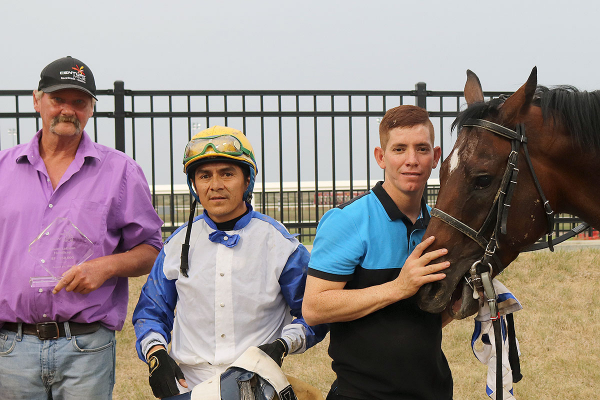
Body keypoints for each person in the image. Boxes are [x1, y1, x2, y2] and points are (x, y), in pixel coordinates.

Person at [0, 56, 163, 399]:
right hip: (11, 349)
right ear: (37, 100)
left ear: (90, 109)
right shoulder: (3, 170)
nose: (68, 110)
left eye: (79, 102)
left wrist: (106, 266)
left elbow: (150, 249)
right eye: (58, 99)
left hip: (85, 347)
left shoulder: (120, 172)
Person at [133, 125, 328, 398]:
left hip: (258, 386)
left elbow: (315, 313)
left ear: (247, 180)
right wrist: (156, 356)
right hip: (189, 388)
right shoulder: (176, 245)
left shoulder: (281, 245)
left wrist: (282, 345)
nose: (215, 186)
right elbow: (151, 313)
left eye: (227, 174)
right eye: (204, 175)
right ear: (194, 185)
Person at [302, 105, 453, 400]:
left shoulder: (439, 226)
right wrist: (400, 286)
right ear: (381, 157)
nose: (412, 160)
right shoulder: (347, 220)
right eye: (399, 149)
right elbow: (314, 308)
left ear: (435, 157)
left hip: (434, 392)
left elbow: (425, 316)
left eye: (421, 149)